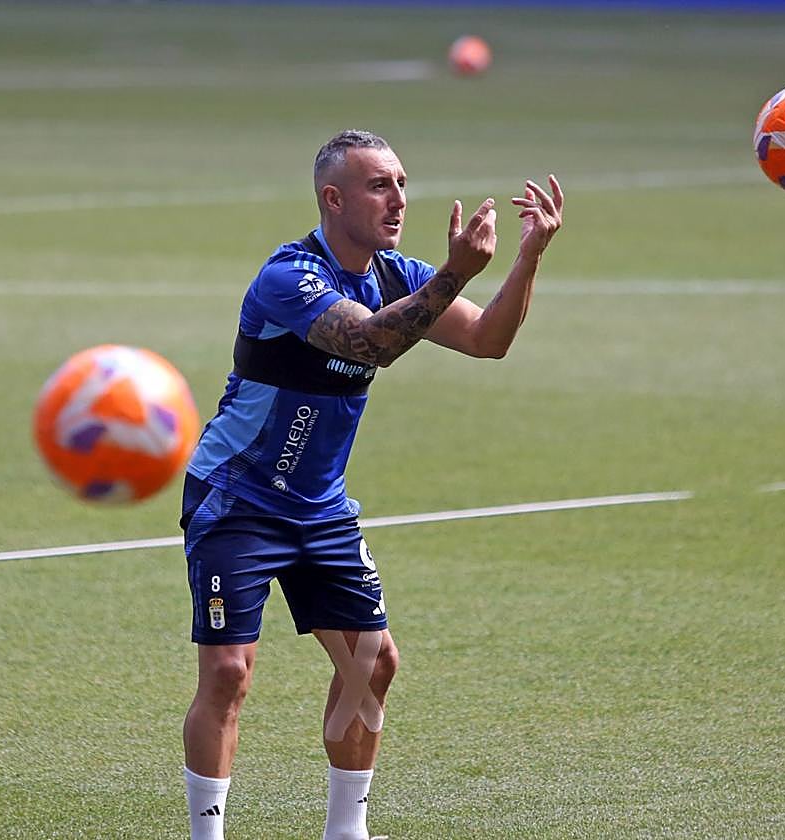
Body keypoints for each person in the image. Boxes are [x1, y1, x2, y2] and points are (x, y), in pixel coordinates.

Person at [179, 129, 563, 840]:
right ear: (334, 198)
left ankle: (345, 832)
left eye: (402, 183)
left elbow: (489, 340)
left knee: (371, 661)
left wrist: (526, 257)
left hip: (319, 506)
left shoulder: (398, 273)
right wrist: (454, 275)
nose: (399, 200)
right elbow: (370, 343)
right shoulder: (288, 277)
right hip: (237, 496)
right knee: (229, 673)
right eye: (380, 185)